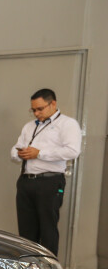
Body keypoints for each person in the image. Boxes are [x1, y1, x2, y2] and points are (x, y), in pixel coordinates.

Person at [11, 88, 82, 255]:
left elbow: (73, 151)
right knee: (26, 231)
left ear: (53, 104)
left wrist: (39, 153)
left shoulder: (67, 124)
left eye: (40, 109)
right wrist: (20, 154)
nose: (36, 113)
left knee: (47, 229)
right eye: (33, 110)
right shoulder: (29, 126)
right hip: (26, 181)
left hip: (49, 182)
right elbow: (14, 151)